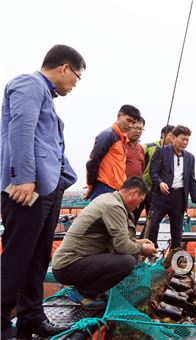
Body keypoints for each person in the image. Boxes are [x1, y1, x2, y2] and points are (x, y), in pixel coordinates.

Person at [1, 44, 85, 339]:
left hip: (47, 188)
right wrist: (23, 178)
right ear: (64, 68)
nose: (75, 83)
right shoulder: (29, 84)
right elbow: (20, 129)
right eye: (77, 75)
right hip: (28, 188)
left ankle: (31, 317)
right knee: (17, 256)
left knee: (38, 257)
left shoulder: (46, 95)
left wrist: (63, 178)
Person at [52, 177, 157, 310]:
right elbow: (122, 246)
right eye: (139, 202)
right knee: (127, 261)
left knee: (128, 254)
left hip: (72, 263)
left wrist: (137, 242)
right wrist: (142, 249)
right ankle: (84, 293)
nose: (137, 207)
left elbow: (116, 239)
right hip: (67, 265)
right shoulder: (114, 206)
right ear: (134, 193)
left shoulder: (109, 199)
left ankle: (90, 290)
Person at [147, 125, 196, 249]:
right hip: (162, 195)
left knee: (177, 230)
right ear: (174, 137)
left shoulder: (190, 157)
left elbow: (191, 180)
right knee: (152, 225)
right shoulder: (160, 151)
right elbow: (153, 173)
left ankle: (174, 256)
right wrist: (160, 183)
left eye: (187, 140)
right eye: (183, 139)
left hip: (179, 197)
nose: (185, 142)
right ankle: (150, 253)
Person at [84, 104, 142, 201]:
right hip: (104, 187)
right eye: (128, 120)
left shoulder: (122, 139)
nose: (130, 125)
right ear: (119, 116)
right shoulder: (108, 136)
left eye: (133, 122)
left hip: (117, 189)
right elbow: (93, 162)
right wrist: (90, 185)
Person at [141, 124, 175, 218]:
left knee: (152, 220)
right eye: (172, 136)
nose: (174, 139)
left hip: (156, 191)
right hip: (141, 187)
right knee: (133, 216)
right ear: (163, 134)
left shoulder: (174, 153)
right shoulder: (147, 147)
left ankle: (146, 233)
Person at [125, 117, 146, 223]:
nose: (138, 131)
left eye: (141, 129)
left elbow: (142, 171)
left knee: (132, 222)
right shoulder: (121, 145)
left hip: (135, 193)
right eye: (135, 128)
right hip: (122, 191)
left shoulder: (141, 148)